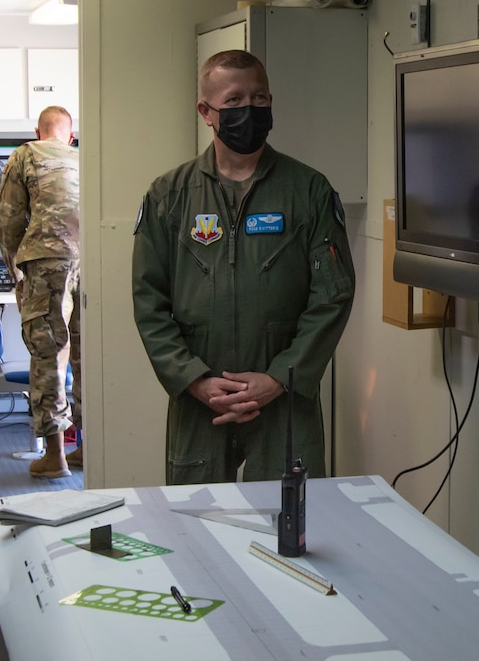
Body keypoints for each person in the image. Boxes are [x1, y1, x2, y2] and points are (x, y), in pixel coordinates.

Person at [132, 49, 355, 484]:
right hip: (202, 396)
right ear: (206, 112)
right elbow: (148, 301)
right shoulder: (169, 196)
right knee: (196, 523)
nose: (248, 110)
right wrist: (193, 379)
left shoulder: (308, 190)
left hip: (283, 396)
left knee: (291, 523)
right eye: (233, 101)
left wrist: (280, 377)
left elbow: (333, 297)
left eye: (259, 99)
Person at [0, 103, 82, 479]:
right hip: (89, 264)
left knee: (48, 355)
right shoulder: (86, 158)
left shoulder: (24, 155)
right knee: (86, 358)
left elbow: (9, 218)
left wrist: (16, 267)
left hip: (46, 265)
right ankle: (87, 447)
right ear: (71, 135)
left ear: (37, 131)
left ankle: (54, 455)